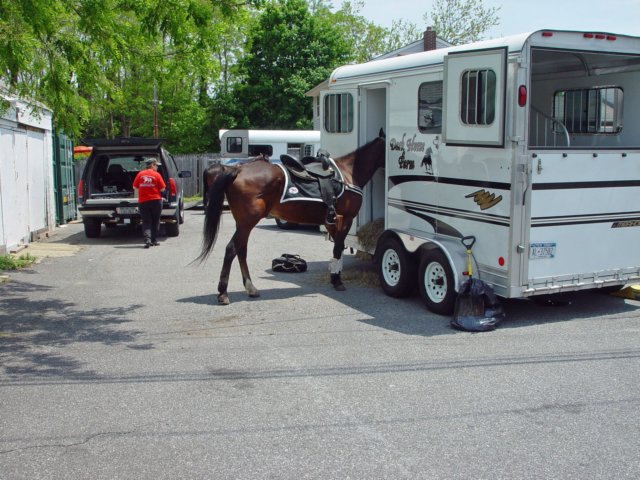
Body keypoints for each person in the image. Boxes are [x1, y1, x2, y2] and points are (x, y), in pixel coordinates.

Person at [133, 158, 166, 248]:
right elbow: (163, 189)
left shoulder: (140, 174)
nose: (157, 167)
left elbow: (135, 187)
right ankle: (154, 240)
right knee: (156, 221)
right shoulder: (157, 175)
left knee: (146, 221)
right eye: (156, 165)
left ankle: (147, 240)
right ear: (152, 165)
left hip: (143, 201)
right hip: (156, 201)